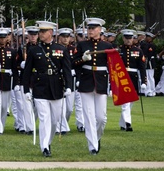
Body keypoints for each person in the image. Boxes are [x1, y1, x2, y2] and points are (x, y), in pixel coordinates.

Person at [21, 21, 73, 157]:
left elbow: (67, 70)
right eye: (40, 32)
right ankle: (44, 147)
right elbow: (27, 72)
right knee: (44, 118)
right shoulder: (34, 50)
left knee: (55, 120)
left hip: (56, 87)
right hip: (40, 86)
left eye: (43, 32)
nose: (40, 34)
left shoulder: (61, 49)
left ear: (50, 33)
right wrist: (26, 90)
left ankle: (48, 142)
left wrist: (69, 87)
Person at [74, 17, 113, 155]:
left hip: (101, 82)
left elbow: (113, 67)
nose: (90, 30)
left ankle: (97, 137)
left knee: (101, 118)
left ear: (100, 30)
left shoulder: (107, 46)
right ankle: (93, 146)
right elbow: (74, 63)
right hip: (86, 82)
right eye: (89, 28)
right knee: (89, 116)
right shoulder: (82, 45)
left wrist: (113, 86)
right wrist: (82, 59)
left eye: (93, 28)